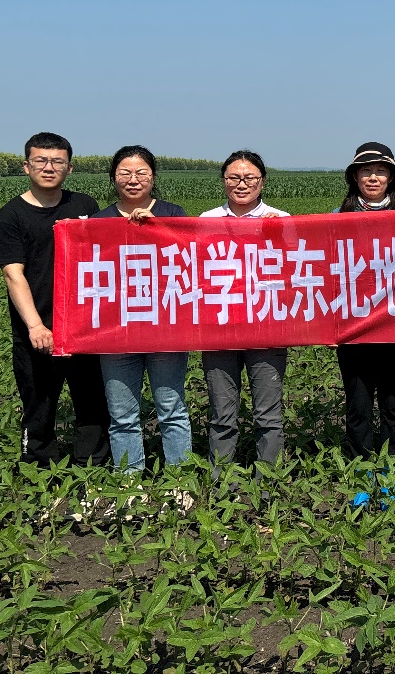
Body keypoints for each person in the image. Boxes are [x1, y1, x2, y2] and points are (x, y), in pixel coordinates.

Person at [0, 132, 110, 466]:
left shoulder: (84, 206)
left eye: (57, 161)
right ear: (26, 166)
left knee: (92, 402)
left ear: (69, 168)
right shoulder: (11, 215)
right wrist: (36, 326)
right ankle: (38, 470)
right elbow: (13, 274)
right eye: (41, 160)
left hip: (84, 328)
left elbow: (106, 253)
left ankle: (91, 470)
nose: (49, 167)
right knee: (39, 403)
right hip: (39, 329)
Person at [93, 146, 192, 473]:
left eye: (141, 173)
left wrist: (157, 227)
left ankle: (179, 481)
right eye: (125, 173)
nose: (133, 179)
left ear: (153, 177)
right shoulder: (98, 221)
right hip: (116, 333)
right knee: (122, 415)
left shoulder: (172, 213)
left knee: (171, 408)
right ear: (113, 177)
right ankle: (129, 482)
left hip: (165, 330)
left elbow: (189, 259)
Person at [199, 150, 290, 481]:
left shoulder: (281, 218)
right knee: (222, 413)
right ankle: (221, 482)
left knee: (268, 414)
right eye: (234, 177)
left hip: (267, 328)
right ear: (223, 181)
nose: (241, 184)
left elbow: (295, 270)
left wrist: (278, 235)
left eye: (249, 177)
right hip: (220, 328)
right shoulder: (206, 220)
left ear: (262, 181)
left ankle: (268, 483)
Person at [334, 142, 395, 460]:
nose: (373, 177)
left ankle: (391, 467)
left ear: (391, 178)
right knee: (358, 404)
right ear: (354, 177)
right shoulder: (337, 218)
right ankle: (360, 466)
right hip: (354, 325)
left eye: (380, 171)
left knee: (394, 402)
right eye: (366, 171)